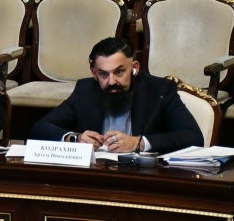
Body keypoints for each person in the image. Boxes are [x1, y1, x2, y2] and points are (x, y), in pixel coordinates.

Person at [29, 36, 203, 153]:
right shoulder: (85, 90)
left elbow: (193, 137)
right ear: (94, 73)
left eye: (119, 72)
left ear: (134, 68)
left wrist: (139, 143)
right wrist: (75, 138)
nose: (111, 81)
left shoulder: (159, 90)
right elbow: (39, 128)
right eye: (103, 74)